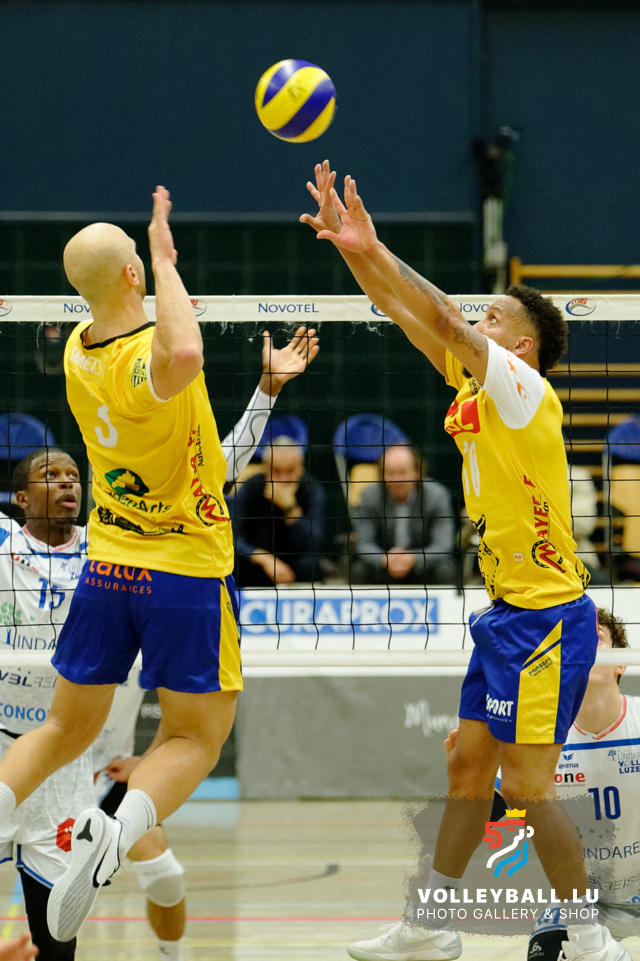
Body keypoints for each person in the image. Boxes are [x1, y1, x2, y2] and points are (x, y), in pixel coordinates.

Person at [301, 163, 605, 961]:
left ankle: (591, 937)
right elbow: (406, 309)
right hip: (505, 613)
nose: (478, 317)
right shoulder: (475, 387)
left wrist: (379, 246)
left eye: (493, 315)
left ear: (521, 344)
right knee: (469, 770)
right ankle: (430, 924)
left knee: (529, 788)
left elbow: (437, 308)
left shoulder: (521, 387)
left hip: (548, 618)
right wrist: (355, 249)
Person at [0, 185, 319, 946]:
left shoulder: (79, 355)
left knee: (63, 727)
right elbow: (181, 352)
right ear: (134, 275)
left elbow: (209, 453)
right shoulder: (151, 361)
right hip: (184, 570)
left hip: (110, 565)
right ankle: (116, 836)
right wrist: (167, 258)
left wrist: (265, 390)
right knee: (194, 740)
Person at [444, 609, 635, 961]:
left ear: (621, 662)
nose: (585, 647)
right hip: (584, 900)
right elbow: (494, 821)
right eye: (575, 640)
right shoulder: (534, 739)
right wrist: (471, 778)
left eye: (596, 640)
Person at [352, 444, 455, 585]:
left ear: (416, 472)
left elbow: (443, 545)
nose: (397, 479)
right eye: (390, 473)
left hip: (422, 567)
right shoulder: (369, 496)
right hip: (383, 567)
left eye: (403, 472)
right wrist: (384, 559)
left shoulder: (437, 496)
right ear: (381, 475)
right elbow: (364, 544)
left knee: (446, 570)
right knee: (358, 570)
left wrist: (413, 558)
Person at [232, 436, 326, 586]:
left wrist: (290, 508)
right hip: (258, 563)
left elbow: (313, 544)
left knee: (310, 564)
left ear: (301, 468)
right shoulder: (250, 488)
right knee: (235, 562)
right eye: (276, 471)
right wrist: (264, 558)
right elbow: (232, 538)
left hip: (294, 566)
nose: (283, 478)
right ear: (264, 468)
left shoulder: (313, 490)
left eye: (289, 471)